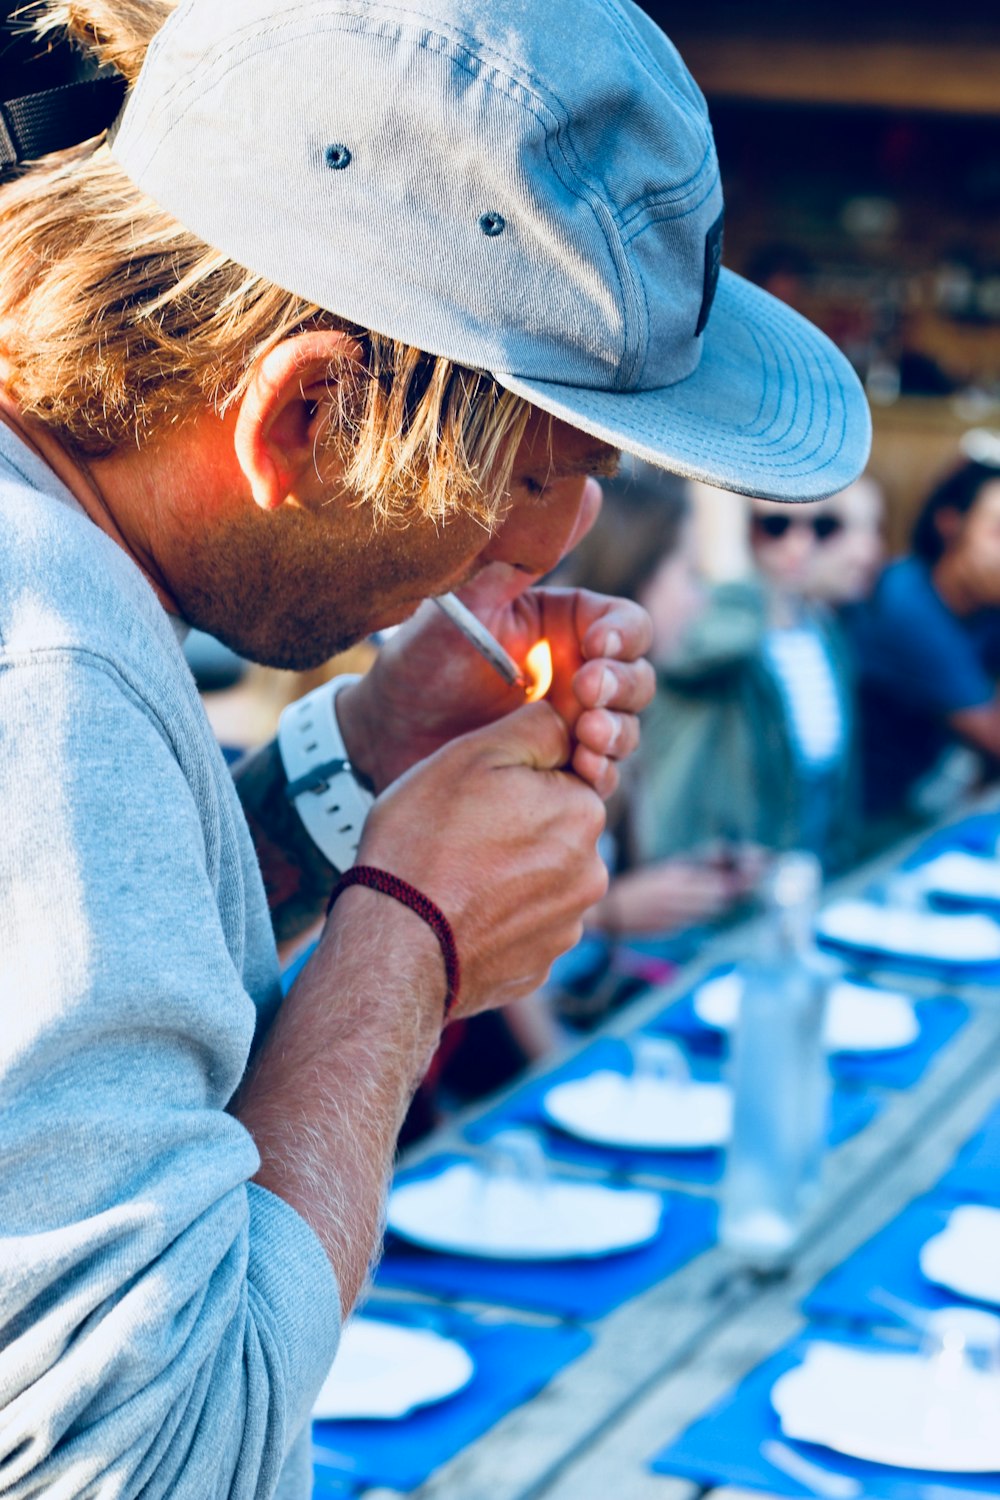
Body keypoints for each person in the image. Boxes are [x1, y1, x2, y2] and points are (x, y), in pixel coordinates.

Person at [0, 1, 869, 1497]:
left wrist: (350, 773)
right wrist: (410, 940)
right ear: (307, 412)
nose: (557, 543)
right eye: (535, 477)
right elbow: (155, 1460)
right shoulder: (51, 670)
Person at [639, 484, 859, 875]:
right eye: (775, 525)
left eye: (823, 526)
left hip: (802, 879)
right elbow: (710, 648)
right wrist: (721, 528)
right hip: (712, 893)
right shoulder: (709, 621)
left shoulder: (825, 629)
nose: (800, 543)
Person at [849, 440, 1000, 829]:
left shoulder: (984, 604)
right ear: (951, 524)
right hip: (865, 825)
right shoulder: (907, 601)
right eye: (997, 533)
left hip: (918, 797)